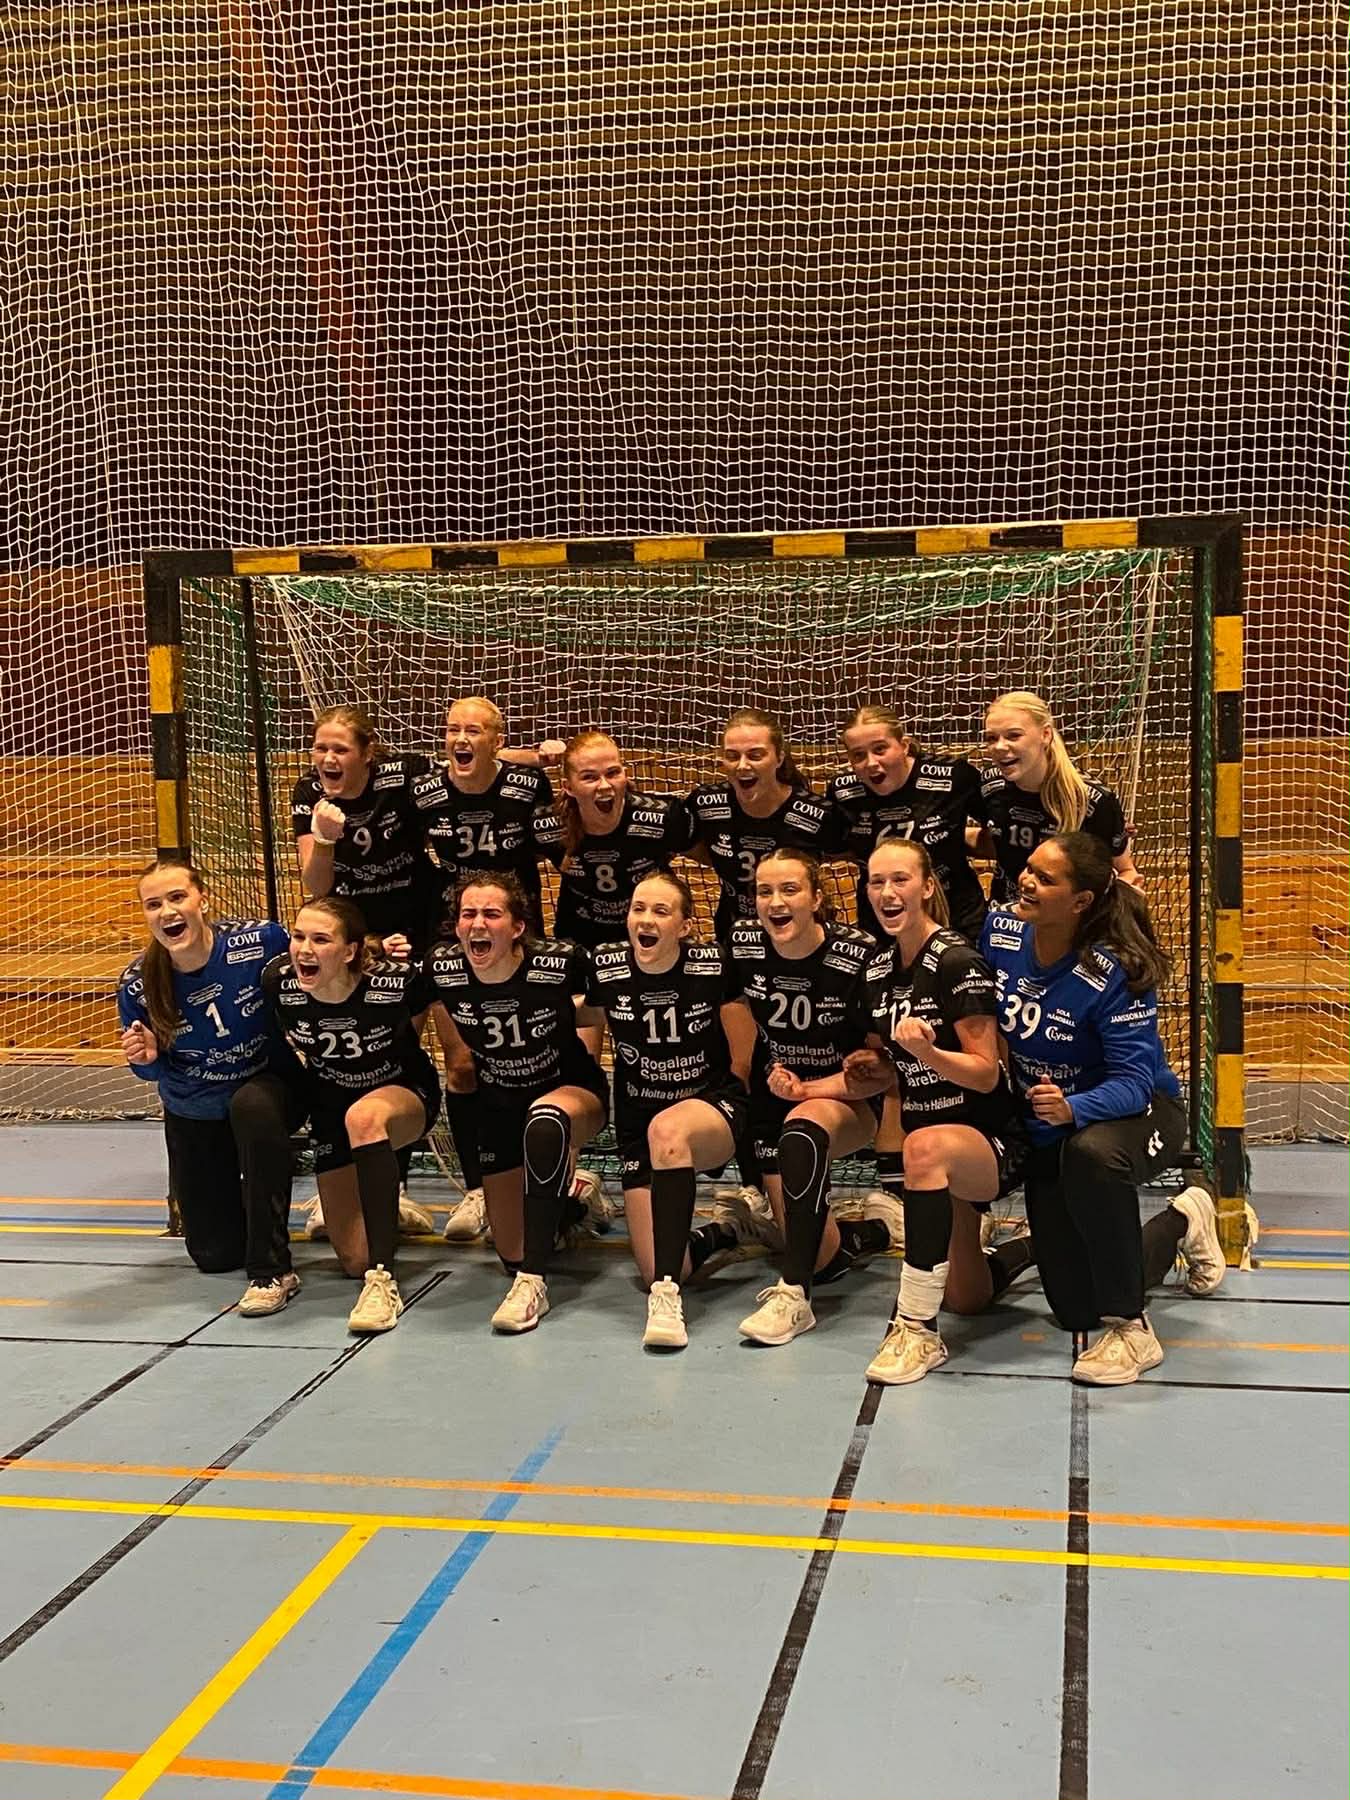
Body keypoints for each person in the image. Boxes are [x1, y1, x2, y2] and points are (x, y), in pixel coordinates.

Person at [980, 831, 1225, 1385]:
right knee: (1075, 1309)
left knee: (1092, 1156)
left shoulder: (1113, 971)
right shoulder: (1001, 933)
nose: (1026, 881)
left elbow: (1135, 1084)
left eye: (1045, 878)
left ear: (1081, 901)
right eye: (1029, 869)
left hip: (1137, 1114)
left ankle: (1133, 1330)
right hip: (1049, 1123)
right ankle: (1184, 1219)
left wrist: (1074, 1107)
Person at [821, 840, 1035, 1385]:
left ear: (927, 887)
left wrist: (929, 1052)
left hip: (990, 1141)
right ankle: (1037, 1247)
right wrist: (866, 1068)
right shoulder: (877, 971)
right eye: (876, 882)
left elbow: (986, 1072)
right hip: (935, 1155)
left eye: (900, 880)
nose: (887, 893)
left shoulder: (957, 961)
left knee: (921, 1148)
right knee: (968, 1297)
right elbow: (895, 1068)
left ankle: (917, 1327)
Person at [581, 870, 772, 1350]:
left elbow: (743, 1054)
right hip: (639, 1119)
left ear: (685, 926)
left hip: (709, 1108)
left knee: (668, 1131)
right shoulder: (606, 966)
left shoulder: (713, 965)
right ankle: (726, 1231)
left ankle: (665, 1300)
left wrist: (737, 1107)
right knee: (656, 1264)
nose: (645, 919)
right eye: (638, 908)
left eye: (660, 911)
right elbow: (579, 1015)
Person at [725, 850, 902, 1347]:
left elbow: (882, 1074)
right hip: (776, 1100)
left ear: (817, 898)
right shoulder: (744, 944)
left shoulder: (859, 955)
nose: (775, 902)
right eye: (764, 891)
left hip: (845, 1101)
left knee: (801, 1128)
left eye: (790, 890)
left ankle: (794, 1296)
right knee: (821, 1257)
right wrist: (744, 1072)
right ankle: (875, 1230)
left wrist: (809, 1089)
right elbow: (727, 1001)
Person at [117, 858, 303, 1316]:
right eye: (153, 904)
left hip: (267, 1086)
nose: (167, 911)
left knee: (253, 1108)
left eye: (177, 897)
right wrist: (146, 1061)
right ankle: (248, 1208)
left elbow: (317, 966)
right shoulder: (138, 984)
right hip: (195, 1108)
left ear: (203, 900)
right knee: (215, 1256)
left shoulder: (261, 942)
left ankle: (272, 1270)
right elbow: (151, 1075)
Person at [425, 872, 609, 1334]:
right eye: (468, 914)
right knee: (511, 1251)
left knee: (544, 1121)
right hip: (500, 1104)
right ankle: (574, 1199)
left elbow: (617, 994)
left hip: (571, 1092)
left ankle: (534, 1283)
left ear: (517, 927)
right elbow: (386, 989)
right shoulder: (442, 968)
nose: (477, 923)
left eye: (492, 914)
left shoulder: (560, 962)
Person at [412, 697, 566, 1238]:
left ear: (496, 741)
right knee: (462, 1065)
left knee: (534, 1063)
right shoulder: (424, 791)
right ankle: (478, 1189)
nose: (461, 738)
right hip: (453, 934)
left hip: (520, 937)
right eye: (452, 728)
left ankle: (553, 1182)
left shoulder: (527, 787)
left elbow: (562, 856)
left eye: (474, 730)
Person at [291, 703, 439, 1240]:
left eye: (340, 749)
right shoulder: (310, 793)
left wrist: (534, 757)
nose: (327, 758)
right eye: (320, 748)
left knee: (401, 1055)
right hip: (351, 938)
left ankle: (394, 1188)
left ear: (367, 753)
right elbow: (316, 887)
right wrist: (326, 837)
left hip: (416, 929)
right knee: (356, 1060)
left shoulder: (404, 775)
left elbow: (464, 770)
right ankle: (350, 1185)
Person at [261, 896, 441, 1333]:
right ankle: (386, 1210)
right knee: (354, 1259)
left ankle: (383, 1281)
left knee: (365, 1118)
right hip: (331, 1109)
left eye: (321, 940)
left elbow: (433, 1007)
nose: (304, 949)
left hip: (402, 1095)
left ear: (349, 951)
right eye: (298, 937)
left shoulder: (395, 982)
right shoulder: (279, 983)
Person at [826, 704, 987, 942]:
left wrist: (963, 838)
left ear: (904, 745)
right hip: (883, 921)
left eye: (880, 749)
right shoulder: (843, 793)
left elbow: (996, 828)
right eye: (858, 755)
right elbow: (836, 847)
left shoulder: (953, 777)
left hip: (956, 916)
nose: (871, 763)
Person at [973, 691, 1140, 903]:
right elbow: (991, 838)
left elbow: (1126, 871)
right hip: (1007, 913)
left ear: (1045, 735)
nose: (999, 747)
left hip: (1066, 917)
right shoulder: (990, 784)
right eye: (991, 738)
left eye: (1014, 736)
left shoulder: (1092, 801)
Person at [685, 708, 834, 942]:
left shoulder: (815, 814)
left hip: (799, 935)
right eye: (732, 756)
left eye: (755, 755)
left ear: (779, 758)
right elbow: (682, 843)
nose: (742, 766)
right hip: (735, 934)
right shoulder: (706, 804)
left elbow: (849, 851)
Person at [554, 731, 693, 949]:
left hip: (647, 934)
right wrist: (536, 757)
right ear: (568, 787)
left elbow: (708, 856)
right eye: (589, 777)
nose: (604, 786)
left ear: (625, 774)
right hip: (581, 937)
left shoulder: (663, 817)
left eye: (613, 773)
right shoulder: (551, 827)